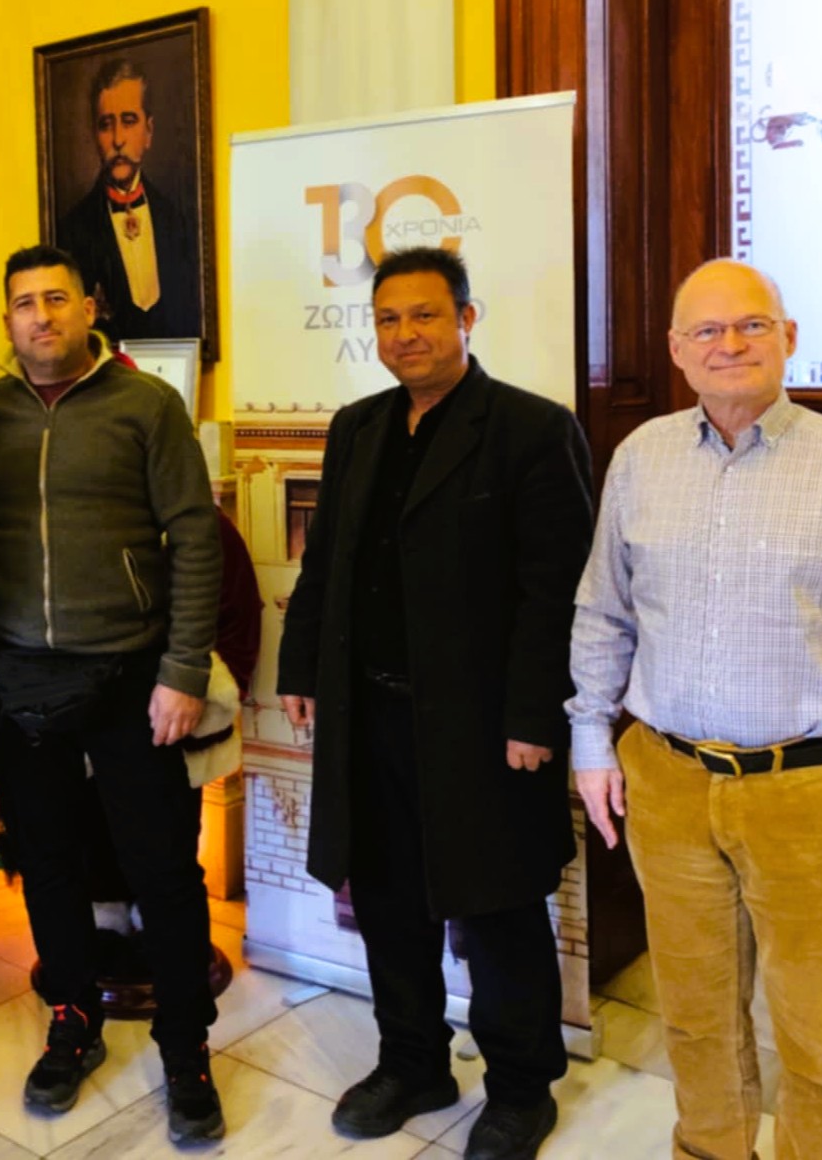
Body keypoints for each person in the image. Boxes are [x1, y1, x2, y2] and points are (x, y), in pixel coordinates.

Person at [567, 258, 822, 1160]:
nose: (730, 344)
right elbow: (603, 612)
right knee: (694, 1018)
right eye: (706, 330)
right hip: (666, 781)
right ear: (676, 350)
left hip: (813, 792)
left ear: (787, 337)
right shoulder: (640, 459)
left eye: (751, 324)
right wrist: (591, 738)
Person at [277, 246, 593, 1159]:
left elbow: (556, 590)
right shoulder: (357, 427)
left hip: (483, 729)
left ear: (465, 318)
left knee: (496, 908)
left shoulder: (531, 428)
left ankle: (521, 1088)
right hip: (368, 716)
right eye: (387, 319)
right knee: (386, 902)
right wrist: (301, 667)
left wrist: (534, 714)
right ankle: (412, 1061)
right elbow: (325, 562)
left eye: (423, 315)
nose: (404, 334)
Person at [0, 244, 224, 1142]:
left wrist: (182, 672)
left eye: (56, 298)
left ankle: (185, 1048)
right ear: (7, 320)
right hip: (21, 673)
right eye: (24, 302)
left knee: (163, 870)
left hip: (131, 677)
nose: (41, 315)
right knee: (48, 863)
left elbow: (195, 537)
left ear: (88, 307)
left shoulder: (146, 405)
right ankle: (71, 1019)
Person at [55, 57, 203, 344]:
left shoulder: (177, 221)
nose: (118, 139)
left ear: (149, 131)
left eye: (129, 121)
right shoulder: (73, 230)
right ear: (95, 135)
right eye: (106, 125)